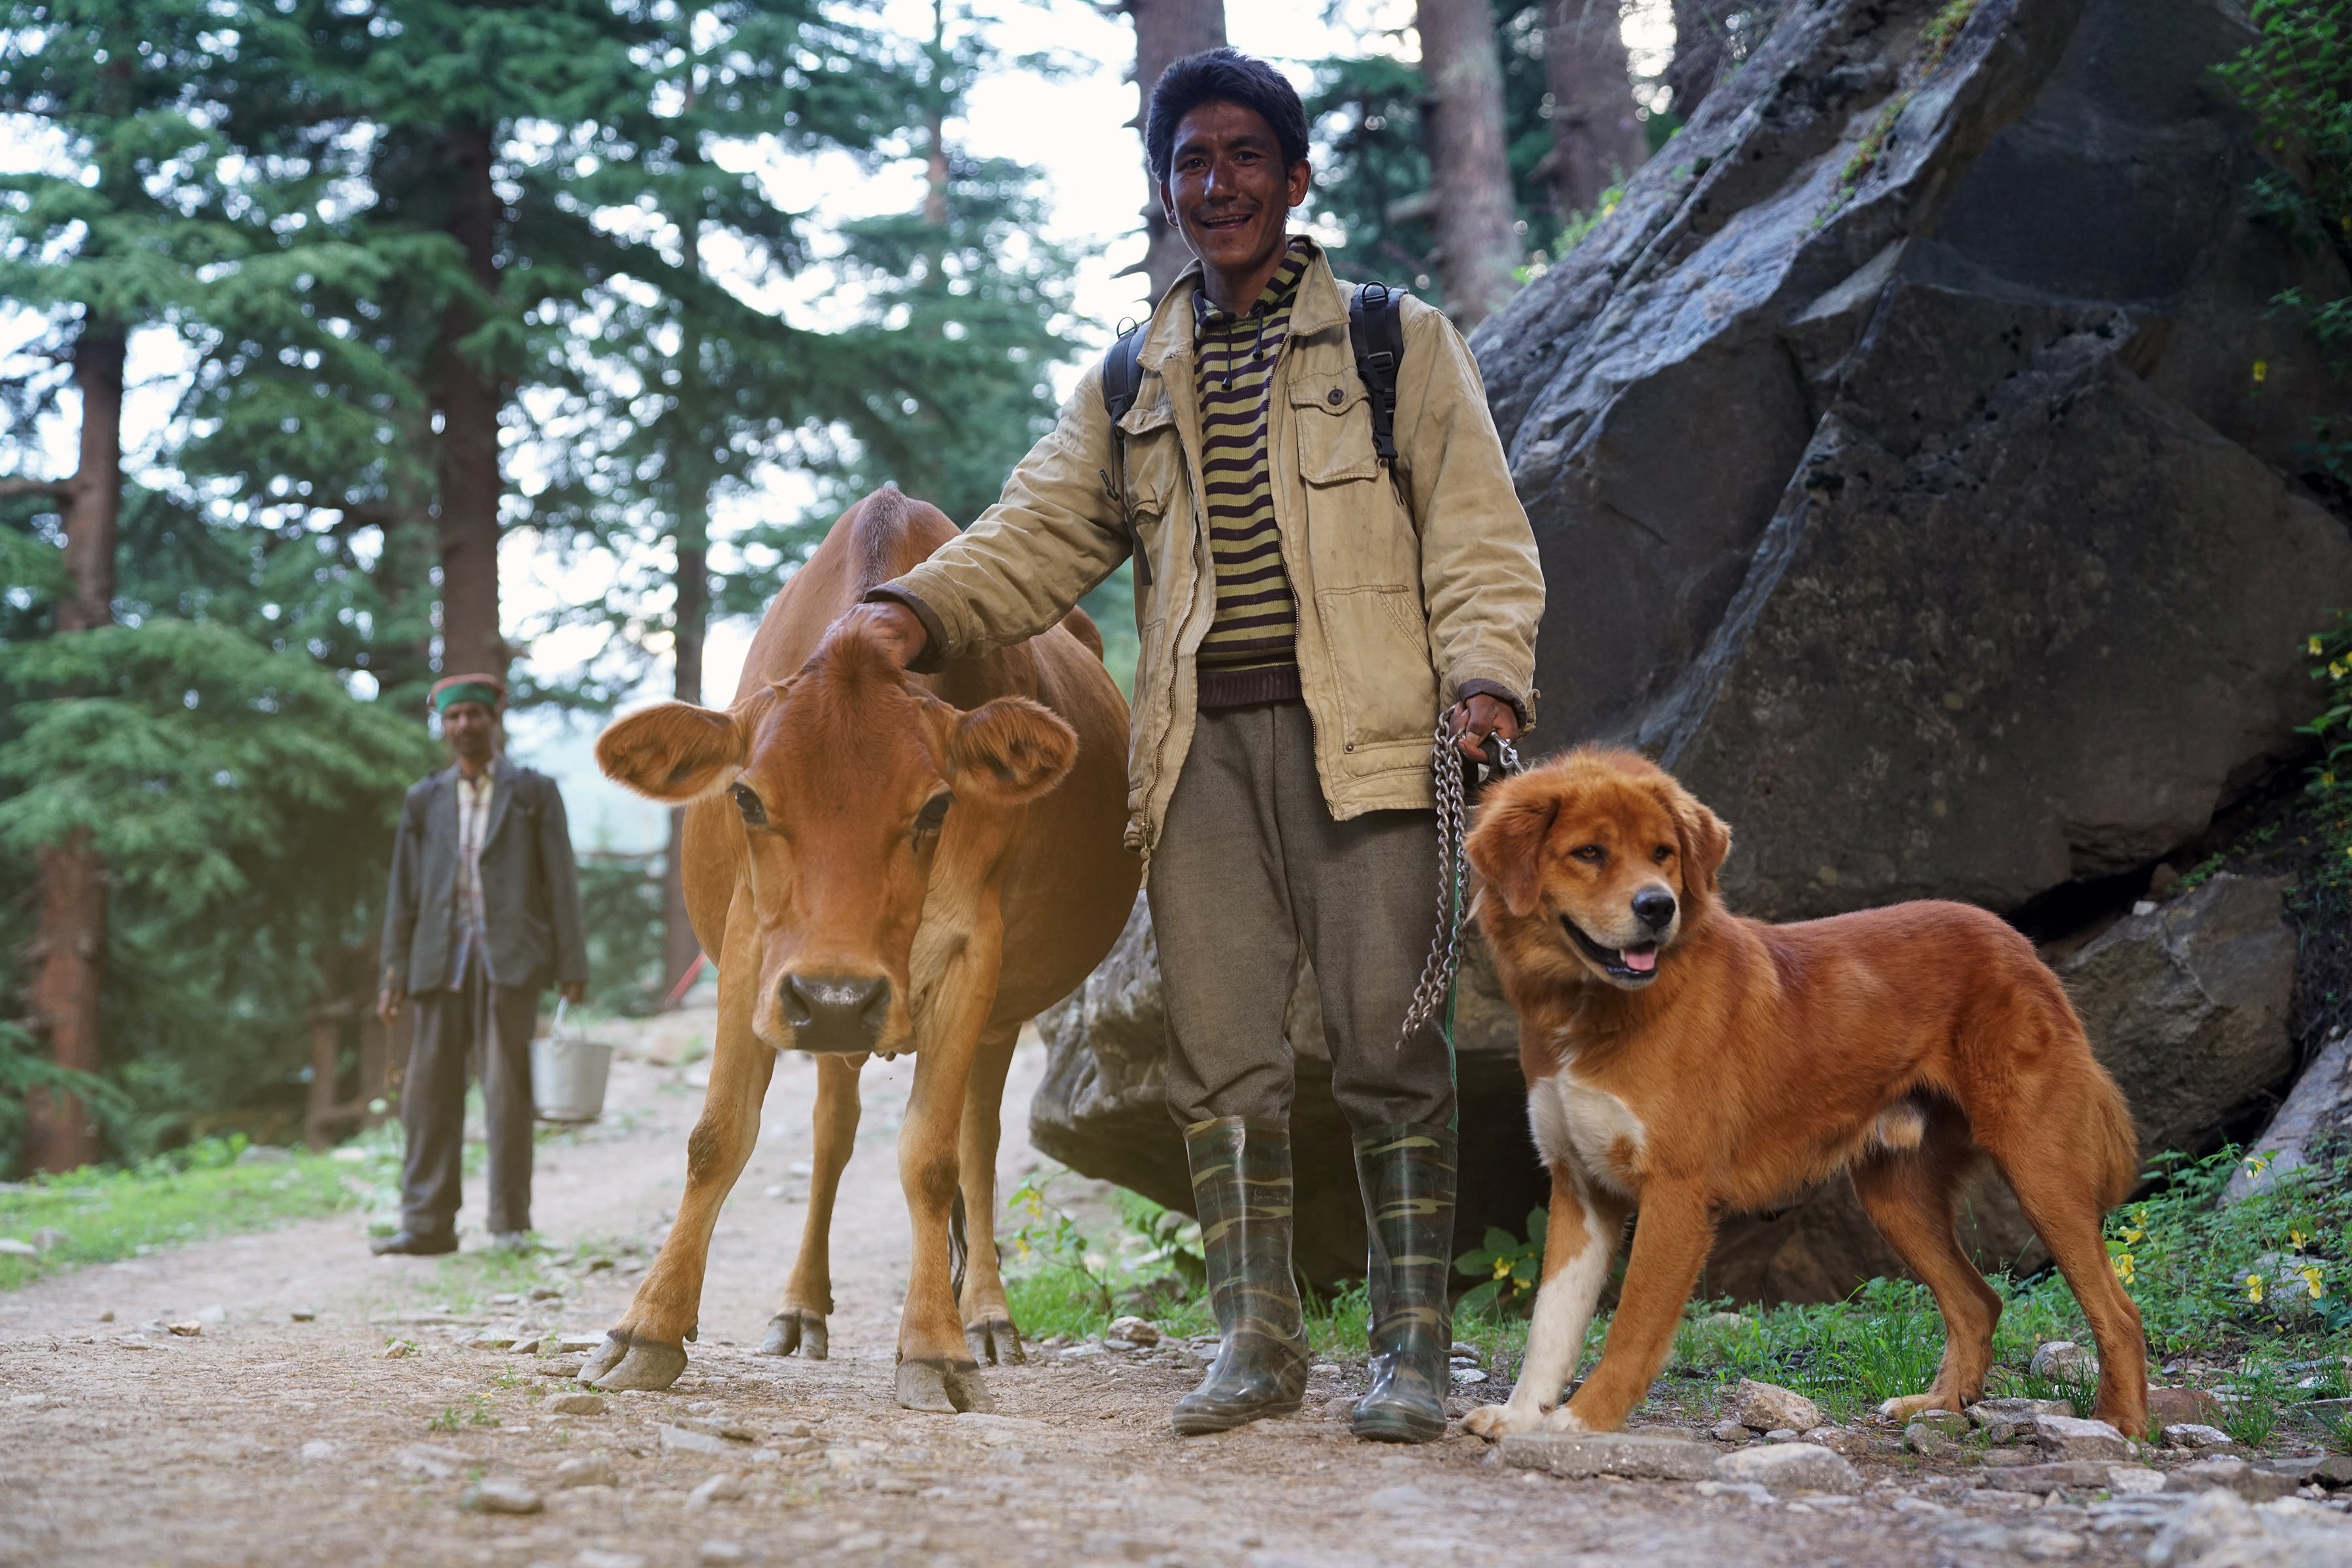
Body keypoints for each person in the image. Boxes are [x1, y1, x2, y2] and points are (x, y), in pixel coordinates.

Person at [851, 48, 1543, 1443]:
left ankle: (1410, 1349)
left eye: (1242, 157)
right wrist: (905, 614)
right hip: (1198, 764)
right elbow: (1035, 537)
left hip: (1373, 745)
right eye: (1188, 162)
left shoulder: (1395, 344)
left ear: (1297, 180)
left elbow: (1479, 535)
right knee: (1218, 1054)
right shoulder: (1127, 379)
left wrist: (1486, 687)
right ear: (1163, 189)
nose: (1214, 183)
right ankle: (1256, 1339)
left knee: (1388, 1050)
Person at [372, 673, 589, 1256]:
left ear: (495, 720)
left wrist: (573, 962)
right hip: (436, 964)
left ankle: (508, 1226)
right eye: (452, 718)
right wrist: (392, 976)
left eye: (473, 715)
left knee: (506, 1095)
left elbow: (560, 881)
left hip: (509, 963)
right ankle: (426, 1225)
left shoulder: (532, 793)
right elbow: (403, 894)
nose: (463, 726)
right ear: (442, 726)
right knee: (426, 1095)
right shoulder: (425, 799)